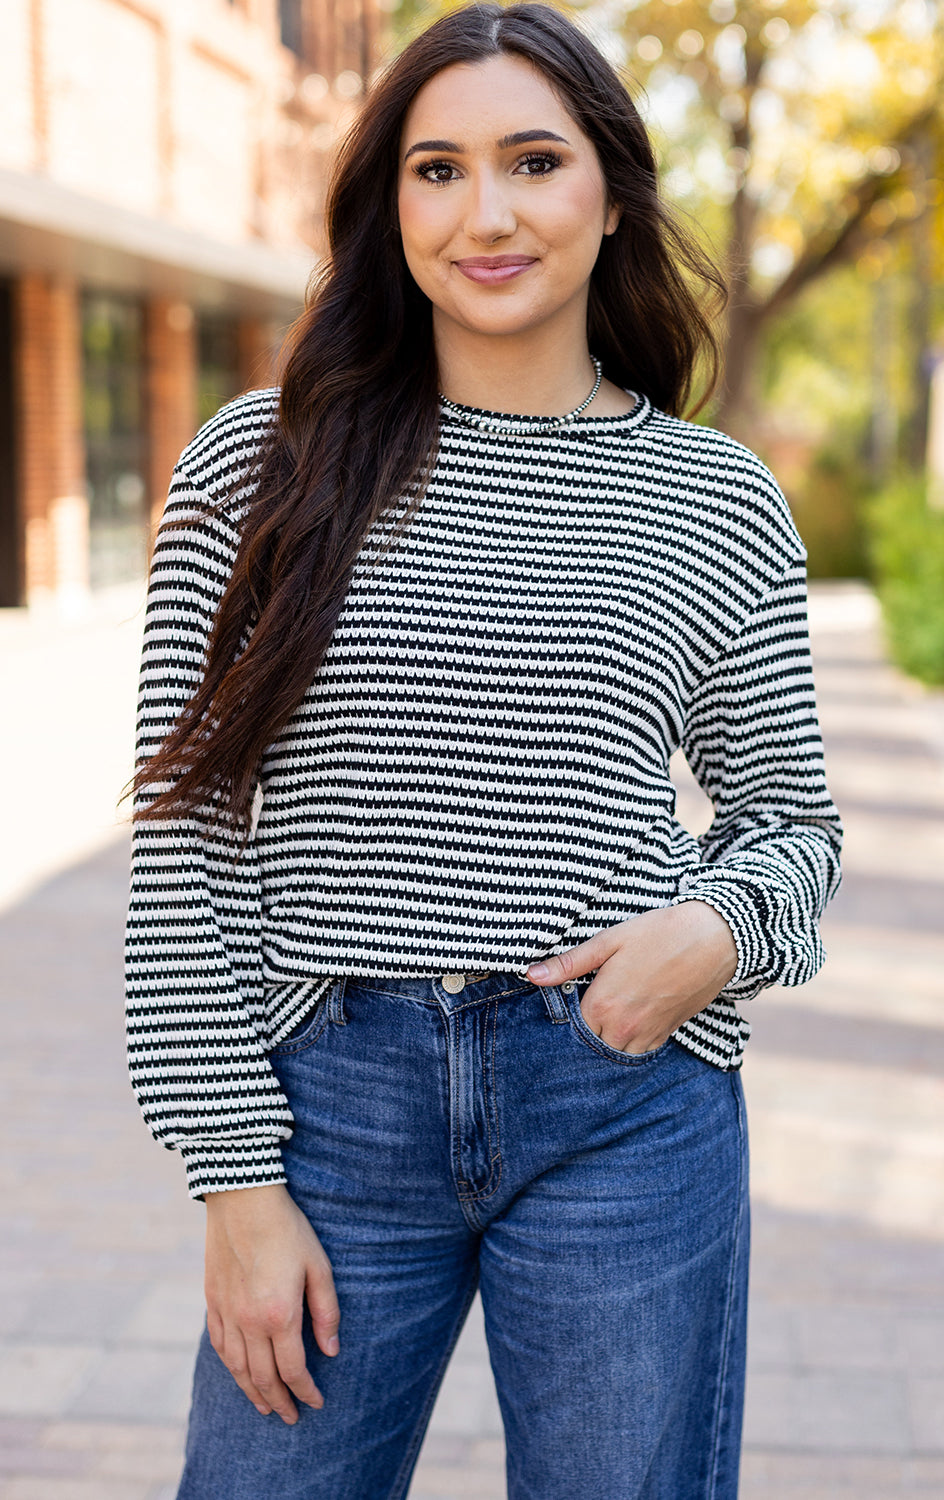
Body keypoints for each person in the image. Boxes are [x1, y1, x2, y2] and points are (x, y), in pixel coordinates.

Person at [125, 4, 843, 1496]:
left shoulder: (711, 497)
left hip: (620, 1103)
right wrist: (233, 1187)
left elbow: (791, 822)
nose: (487, 213)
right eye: (437, 171)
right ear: (389, 207)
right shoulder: (260, 463)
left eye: (533, 160)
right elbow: (185, 850)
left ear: (610, 190)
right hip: (327, 1109)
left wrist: (713, 929)